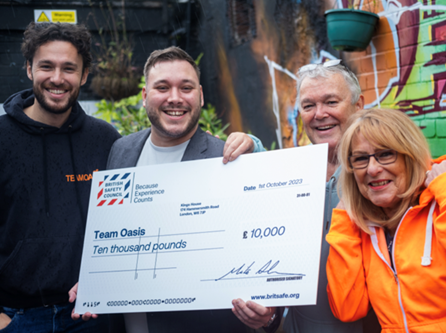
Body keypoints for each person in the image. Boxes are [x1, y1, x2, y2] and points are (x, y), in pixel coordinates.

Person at [70, 46, 281, 333]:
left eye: (186, 87)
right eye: (162, 87)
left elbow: (262, 246)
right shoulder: (121, 150)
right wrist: (99, 277)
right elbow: (118, 234)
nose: (175, 98)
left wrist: (269, 316)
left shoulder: (230, 159)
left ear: (201, 95)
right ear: (145, 96)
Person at [326, 108, 446, 332]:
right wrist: (343, 225)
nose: (372, 168)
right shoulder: (364, 225)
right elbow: (347, 308)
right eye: (360, 159)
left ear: (410, 155)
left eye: (386, 154)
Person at [0, 22, 121, 332]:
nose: (57, 78)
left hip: (90, 315)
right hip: (16, 318)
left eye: (69, 68)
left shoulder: (105, 139)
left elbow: (124, 222)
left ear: (84, 74)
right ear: (29, 69)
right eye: (46, 66)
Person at [282, 60, 379, 333]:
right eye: (308, 105)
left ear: (358, 105)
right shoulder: (289, 172)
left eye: (331, 102)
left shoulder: (382, 174)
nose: (319, 114)